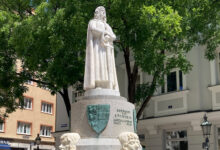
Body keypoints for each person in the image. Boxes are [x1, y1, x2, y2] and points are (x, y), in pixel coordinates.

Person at [84, 6, 119, 92]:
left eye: (104, 12)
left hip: (106, 47)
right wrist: (104, 32)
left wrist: (109, 36)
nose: (103, 14)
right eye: (102, 12)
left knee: (106, 67)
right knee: (98, 65)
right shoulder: (92, 22)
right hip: (97, 46)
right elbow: (92, 29)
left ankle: (107, 84)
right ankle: (98, 84)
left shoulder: (106, 25)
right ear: (97, 13)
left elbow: (114, 36)